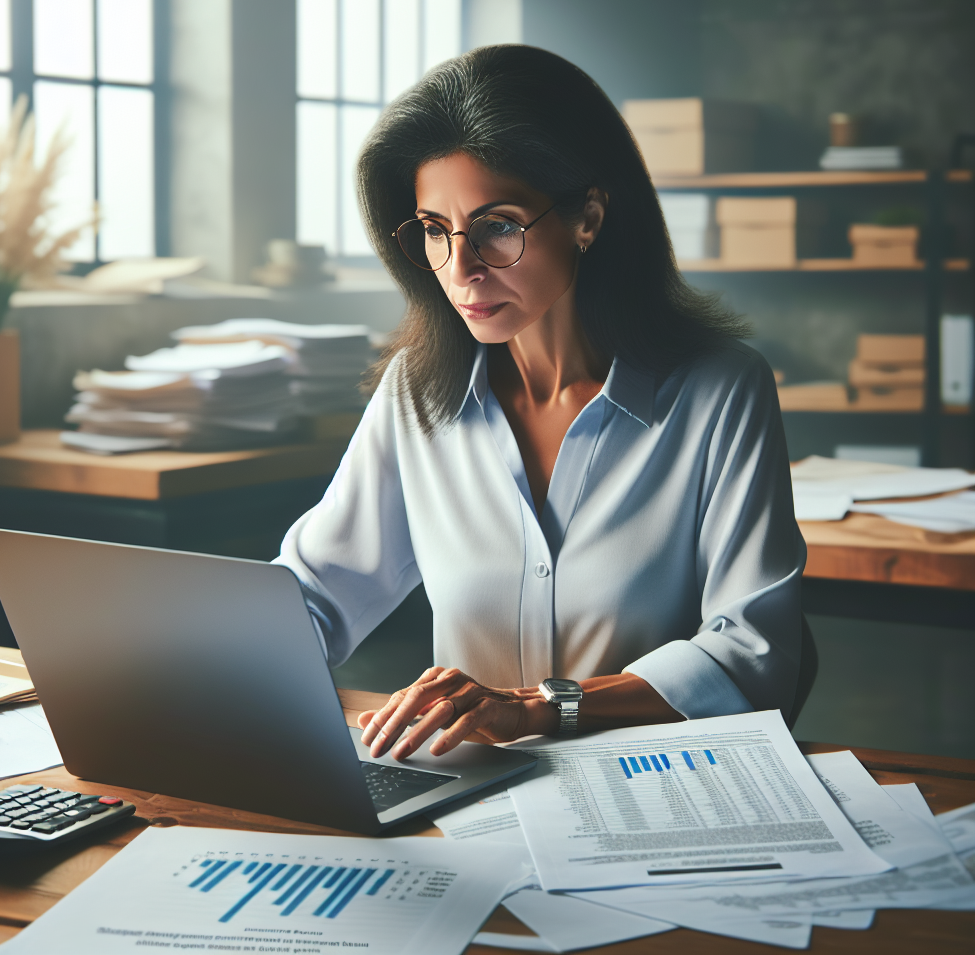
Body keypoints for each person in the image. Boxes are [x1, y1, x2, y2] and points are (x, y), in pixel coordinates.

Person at [276, 45, 806, 764]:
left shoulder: (720, 390)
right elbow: (316, 591)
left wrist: (536, 710)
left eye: (497, 225)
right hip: (466, 802)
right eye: (435, 230)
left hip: (658, 793)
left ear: (587, 217)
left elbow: (756, 653)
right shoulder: (416, 391)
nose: (458, 271)